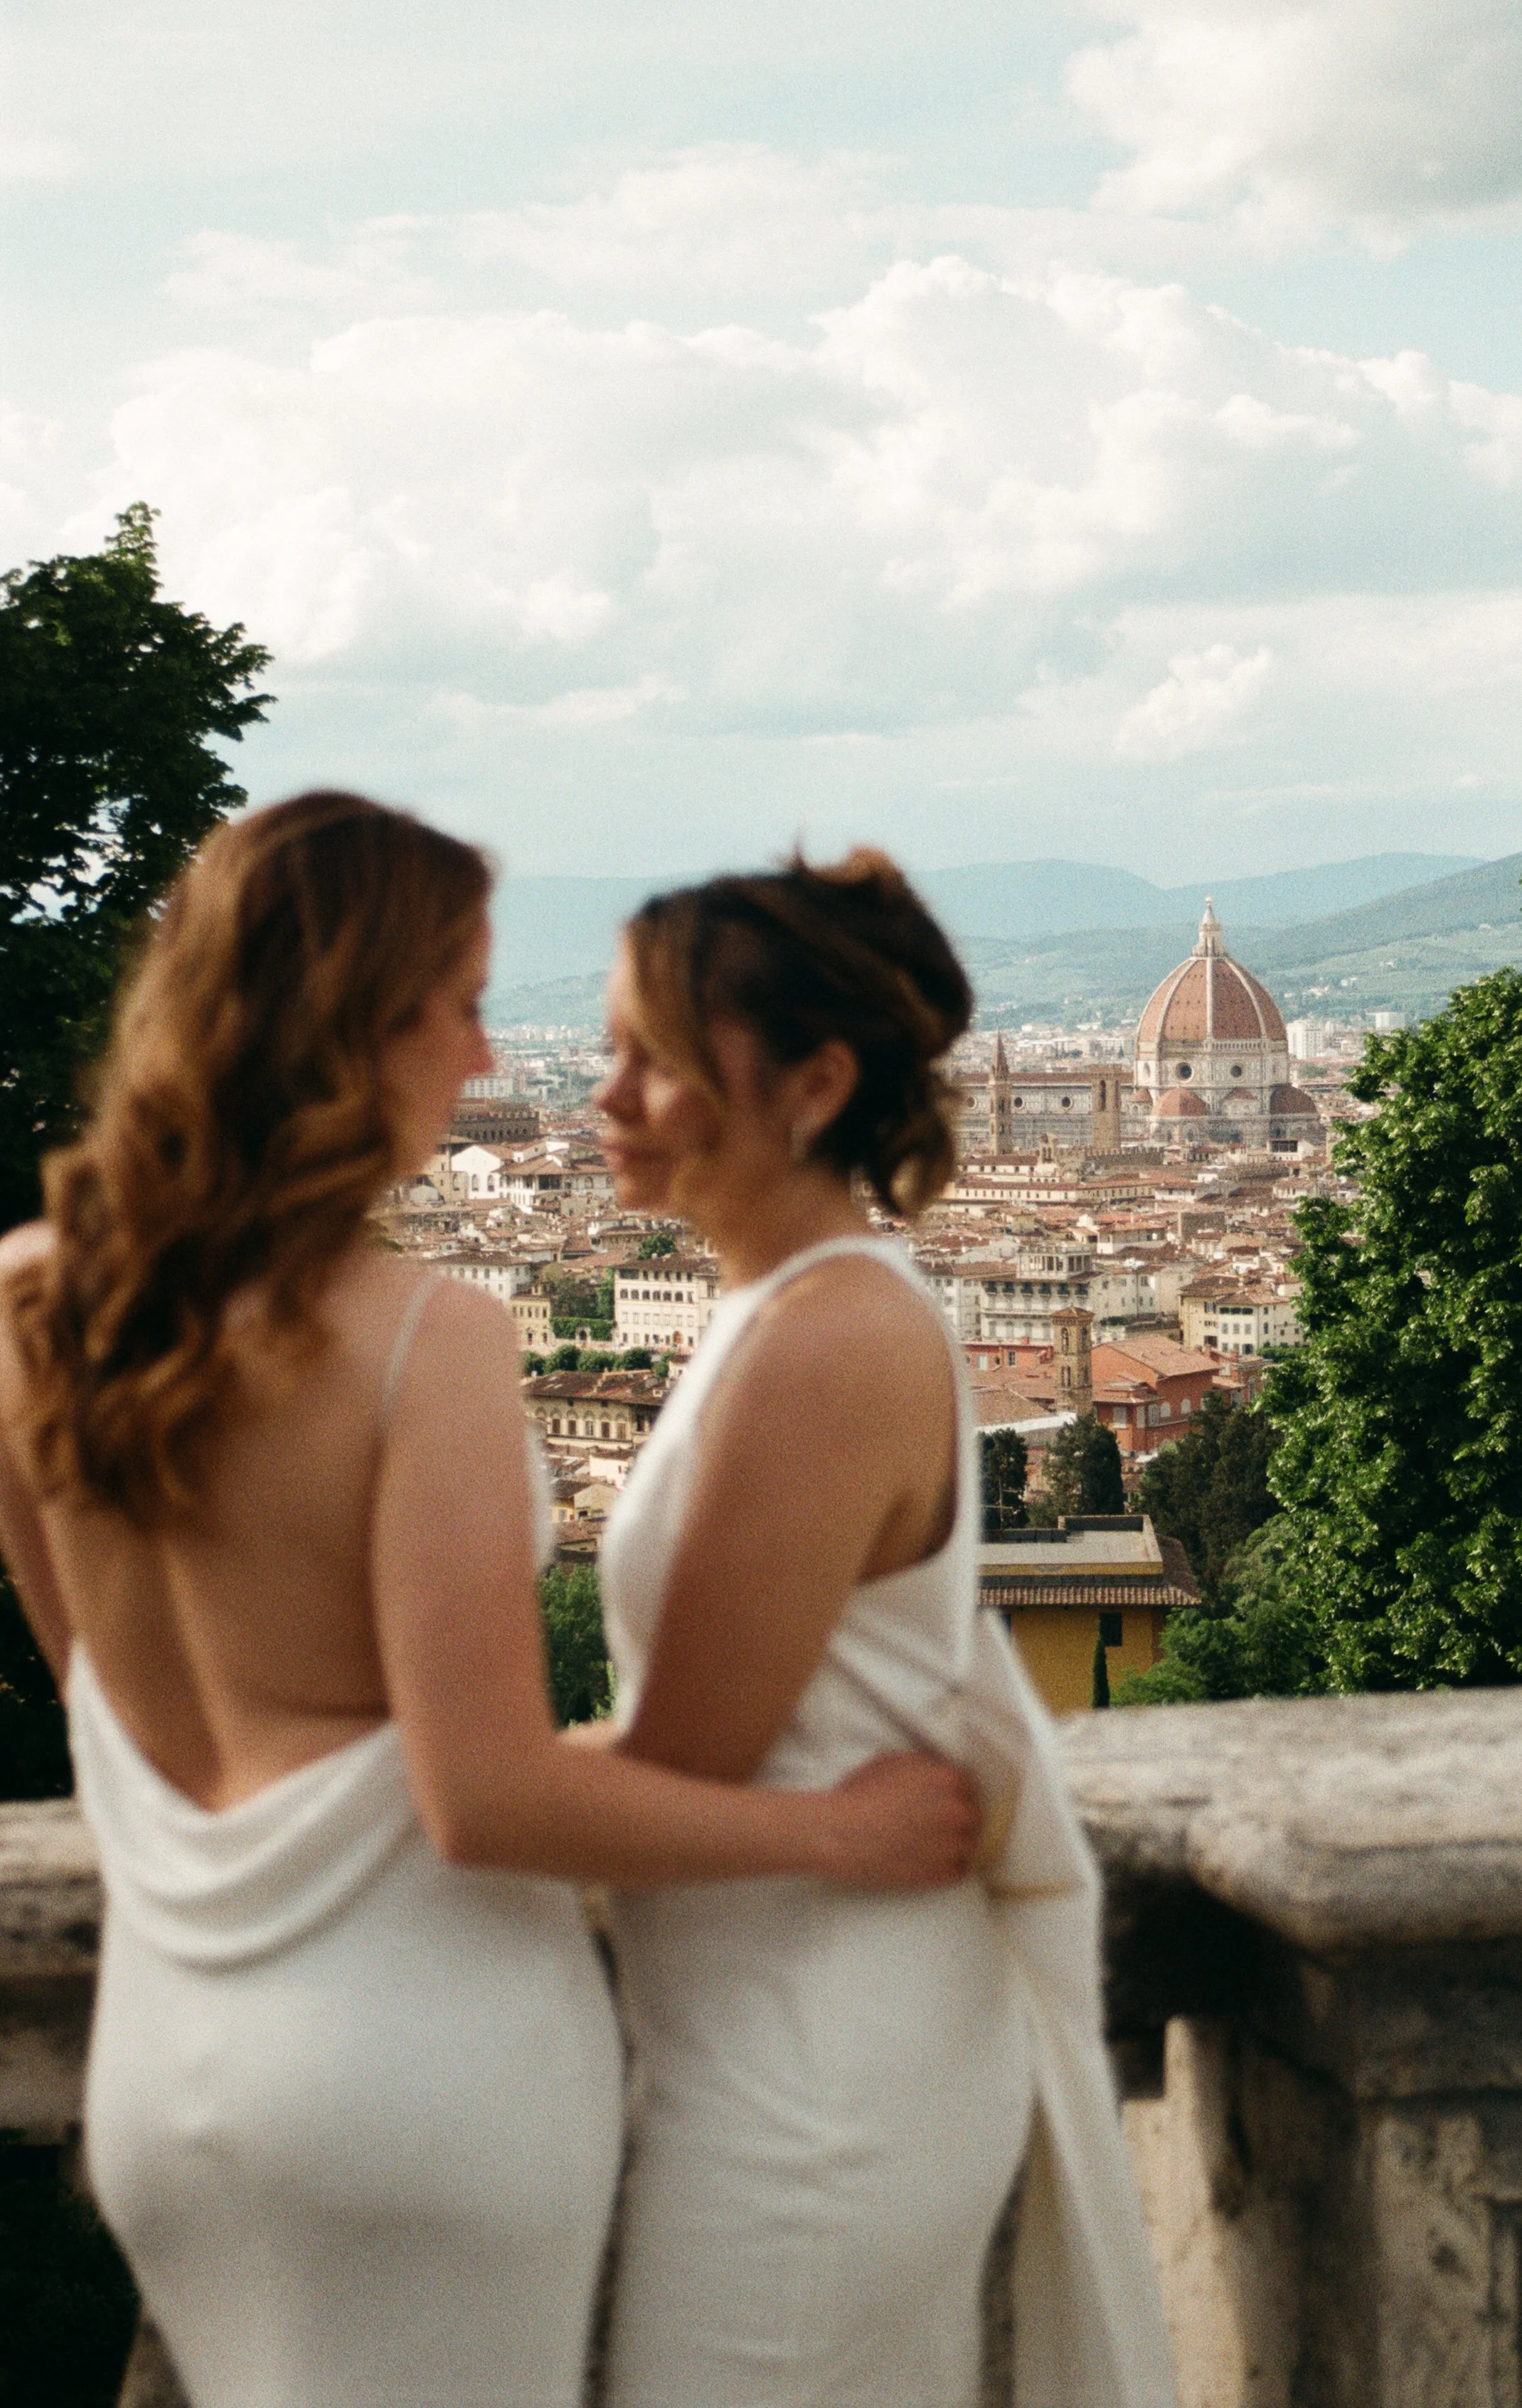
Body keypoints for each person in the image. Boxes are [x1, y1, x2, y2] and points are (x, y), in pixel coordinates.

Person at [0, 793, 981, 2408]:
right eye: (459, 1007)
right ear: (344, 1028)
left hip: (168, 2074)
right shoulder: (422, 1336)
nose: (482, 1063)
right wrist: (840, 1834)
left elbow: (98, 1694)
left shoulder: (37, 1296)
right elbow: (485, 1798)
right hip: (418, 2072)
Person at [595, 852, 1177, 2408]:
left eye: (648, 1057)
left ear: (813, 1082)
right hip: (773, 2024)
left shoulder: (831, 1339)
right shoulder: (781, 1316)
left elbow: (679, 1765)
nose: (604, 1096)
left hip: (815, 2070)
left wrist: (362, 1779)